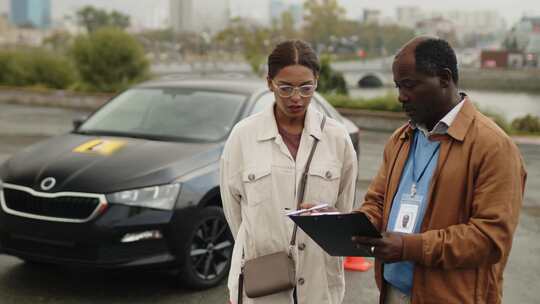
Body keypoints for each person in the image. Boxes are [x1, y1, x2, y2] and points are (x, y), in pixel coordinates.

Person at [352, 36, 527, 304]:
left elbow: (491, 238)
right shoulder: (401, 139)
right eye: (398, 86)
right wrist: (356, 223)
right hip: (392, 293)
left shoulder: (494, 146)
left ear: (444, 78)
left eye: (409, 85)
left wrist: (410, 247)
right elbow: (377, 201)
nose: (401, 96)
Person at [220, 40, 358, 304]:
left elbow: (344, 207)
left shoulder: (336, 138)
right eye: (285, 88)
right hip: (263, 279)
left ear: (317, 80)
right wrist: (264, 238)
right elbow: (234, 212)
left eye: (307, 88)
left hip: (319, 277)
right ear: (269, 82)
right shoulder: (243, 137)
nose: (296, 97)